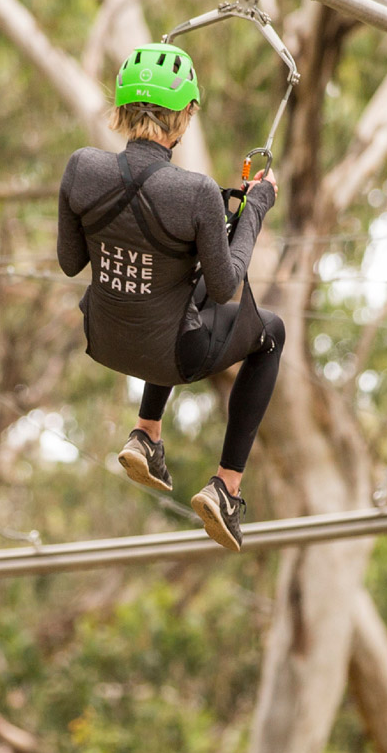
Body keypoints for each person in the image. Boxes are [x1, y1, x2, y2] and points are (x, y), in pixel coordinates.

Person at [57, 43, 283, 552]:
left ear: (121, 108)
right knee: (272, 333)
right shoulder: (195, 191)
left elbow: (72, 262)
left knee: (186, 283)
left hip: (105, 337)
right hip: (172, 355)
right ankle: (226, 487)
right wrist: (255, 210)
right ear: (181, 118)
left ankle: (147, 435)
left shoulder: (80, 167)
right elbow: (228, 287)